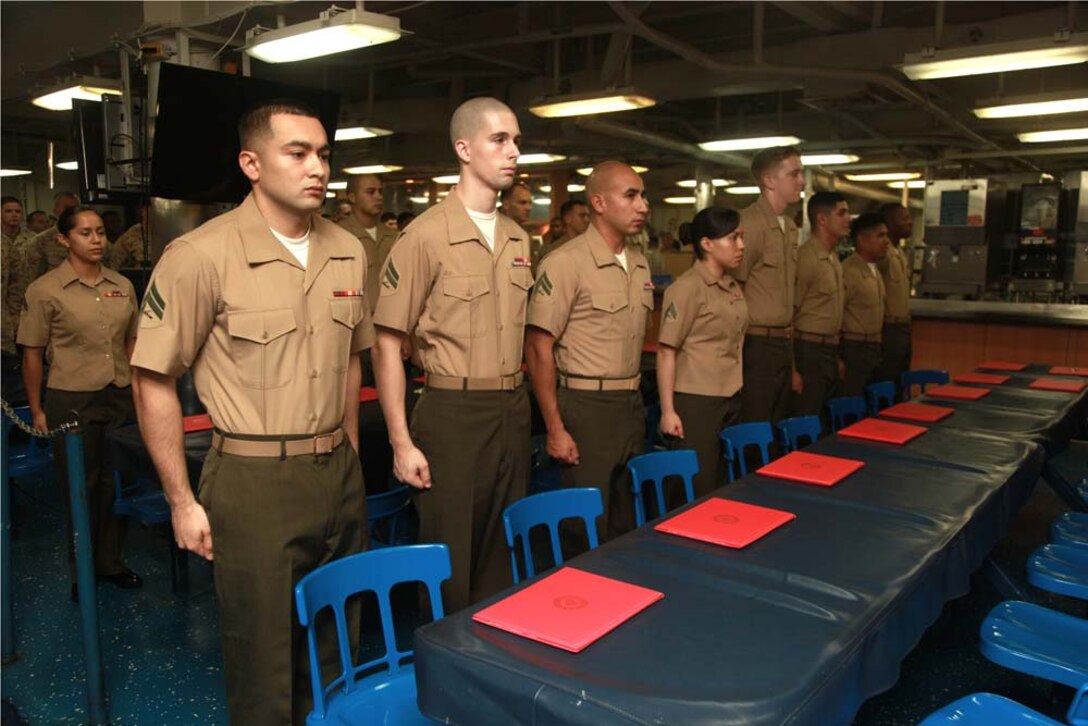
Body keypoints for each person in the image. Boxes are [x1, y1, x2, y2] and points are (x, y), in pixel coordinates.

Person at [129, 100, 372, 725]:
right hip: (253, 478)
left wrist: (347, 446)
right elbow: (152, 377)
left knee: (337, 640)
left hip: (337, 474)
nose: (317, 167)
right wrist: (182, 502)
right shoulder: (201, 255)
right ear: (252, 164)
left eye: (323, 154)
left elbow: (351, 359)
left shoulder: (348, 250)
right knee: (263, 658)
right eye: (297, 153)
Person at [372, 97, 531, 612]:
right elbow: (387, 342)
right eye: (499, 140)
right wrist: (401, 442)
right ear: (463, 149)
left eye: (517, 141)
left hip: (511, 406)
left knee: (503, 549)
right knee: (449, 561)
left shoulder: (517, 237)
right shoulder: (425, 236)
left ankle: (491, 668)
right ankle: (443, 675)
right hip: (453, 412)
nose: (513, 153)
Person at [17, 206, 141, 602]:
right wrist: (37, 409)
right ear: (63, 239)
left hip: (119, 394)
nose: (96, 240)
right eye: (85, 233)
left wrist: (139, 392)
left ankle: (112, 562)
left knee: (118, 482)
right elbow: (32, 354)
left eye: (101, 232)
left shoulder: (122, 285)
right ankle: (83, 570)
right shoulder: (45, 290)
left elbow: (131, 344)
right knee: (80, 486)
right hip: (71, 398)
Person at [526, 161, 652, 545]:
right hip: (585, 406)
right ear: (598, 202)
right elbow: (537, 347)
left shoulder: (640, 263)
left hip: (630, 402)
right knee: (585, 527)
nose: (643, 206)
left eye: (643, 195)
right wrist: (555, 427)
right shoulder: (566, 263)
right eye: (630, 195)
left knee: (625, 520)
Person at [657, 207, 747, 497]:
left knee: (722, 482)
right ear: (707, 244)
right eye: (733, 238)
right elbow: (666, 351)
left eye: (741, 237)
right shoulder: (686, 289)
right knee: (697, 484)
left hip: (730, 394)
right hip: (696, 400)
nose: (741, 245)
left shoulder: (732, 286)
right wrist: (668, 411)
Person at [734, 147, 804, 426]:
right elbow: (732, 289)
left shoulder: (789, 227)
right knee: (756, 424)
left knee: (778, 423)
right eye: (794, 173)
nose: (802, 181)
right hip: (755, 344)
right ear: (769, 181)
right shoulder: (748, 223)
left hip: (783, 342)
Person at [792, 191, 847, 418]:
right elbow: (790, 315)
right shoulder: (806, 258)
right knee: (807, 418)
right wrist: (793, 368)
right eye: (841, 213)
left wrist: (835, 356)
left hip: (828, 350)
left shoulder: (833, 258)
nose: (848, 219)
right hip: (808, 351)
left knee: (824, 418)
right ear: (822, 219)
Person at [840, 213, 889, 396]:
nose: (886, 242)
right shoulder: (848, 271)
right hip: (854, 349)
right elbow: (838, 314)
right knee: (852, 401)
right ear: (862, 239)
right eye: (880, 235)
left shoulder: (875, 269)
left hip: (873, 348)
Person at [339, 173, 398, 314]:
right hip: (355, 321)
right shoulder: (338, 236)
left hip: (392, 320)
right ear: (352, 197)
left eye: (380, 192)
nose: (379, 197)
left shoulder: (394, 236)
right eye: (370, 192)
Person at [876, 203, 914, 393]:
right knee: (887, 382)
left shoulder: (900, 253)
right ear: (889, 223)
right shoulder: (882, 255)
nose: (910, 222)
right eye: (904, 218)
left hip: (903, 327)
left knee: (901, 382)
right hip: (888, 328)